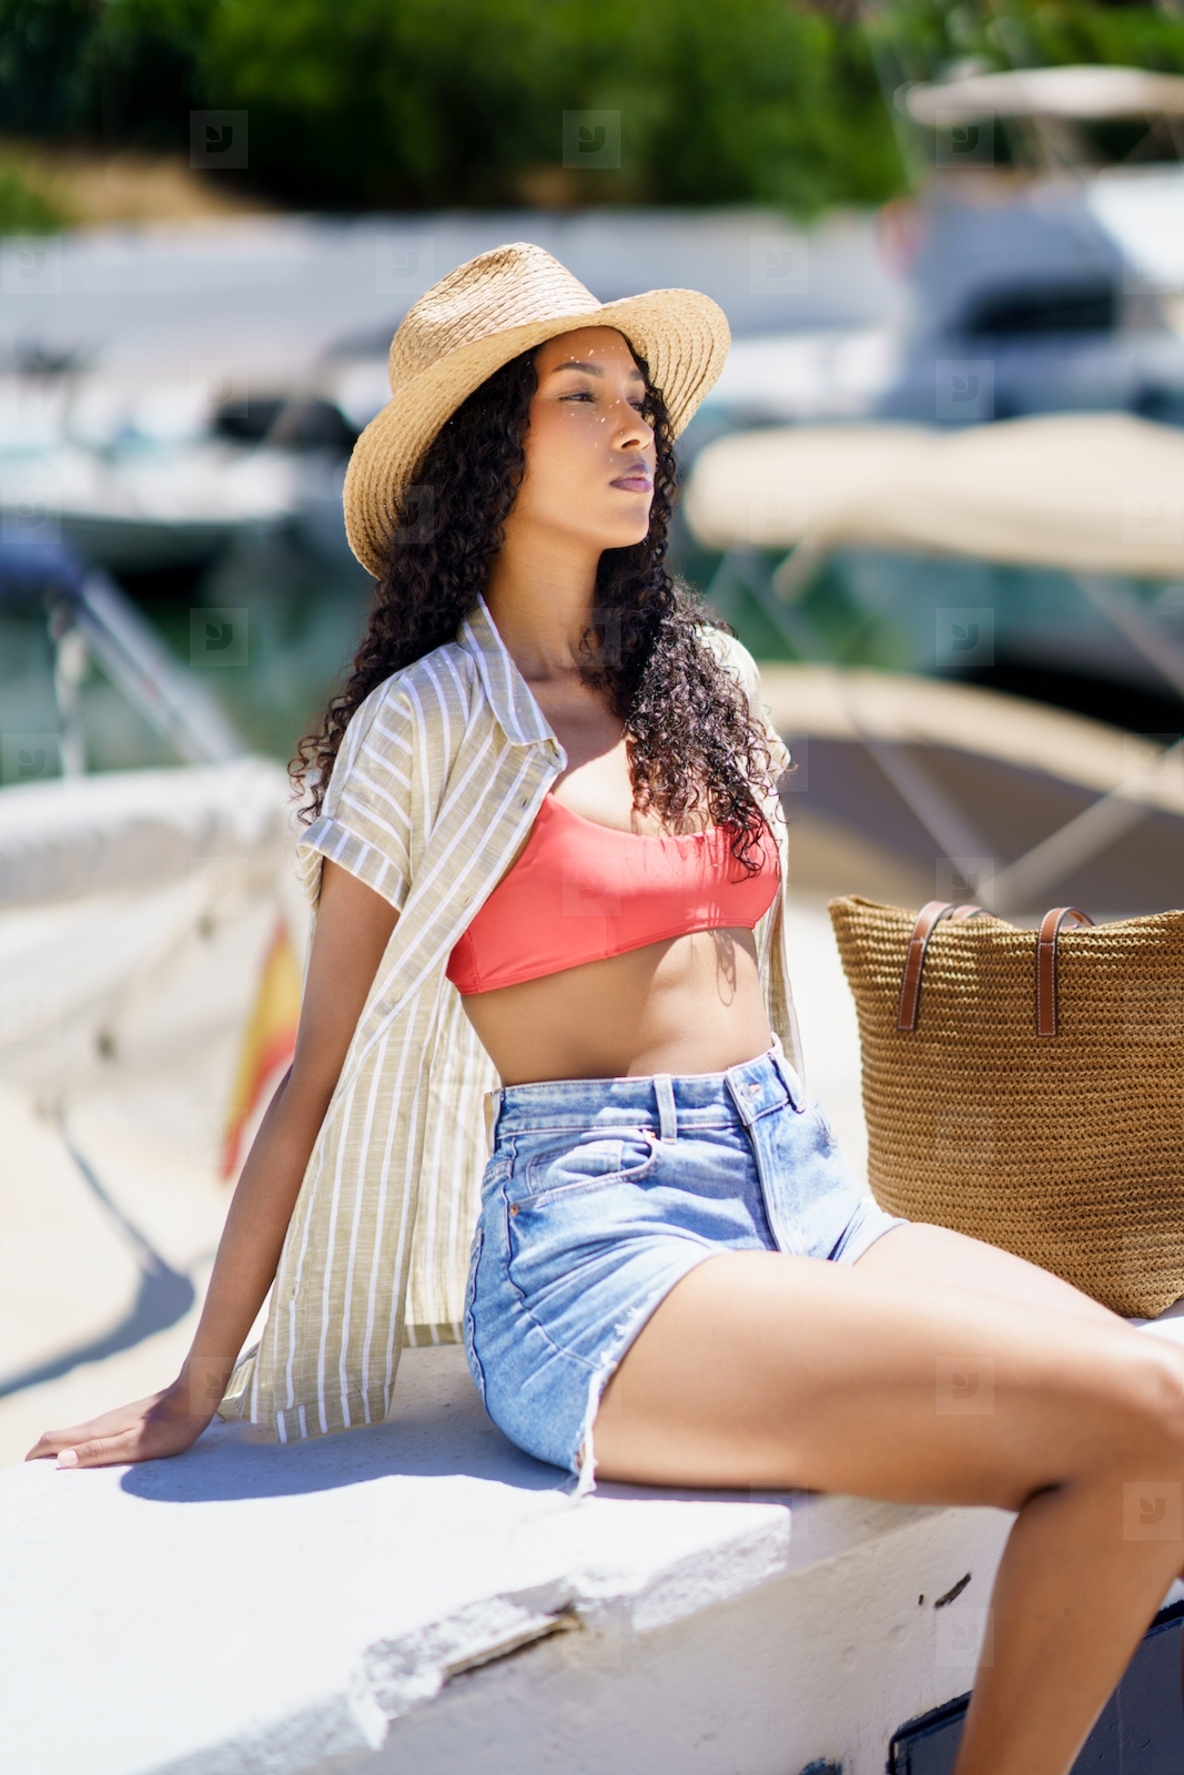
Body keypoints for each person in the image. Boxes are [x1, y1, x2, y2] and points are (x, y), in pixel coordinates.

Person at [28, 244, 1184, 1775]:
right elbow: (315, 1074)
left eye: (641, 402)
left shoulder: (706, 672)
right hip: (601, 1251)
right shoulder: (421, 724)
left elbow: (749, 982)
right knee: (1132, 1425)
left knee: (1162, 1414)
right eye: (583, 398)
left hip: (803, 1192)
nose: (635, 429)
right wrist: (196, 1383)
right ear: (488, 453)